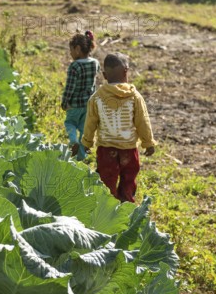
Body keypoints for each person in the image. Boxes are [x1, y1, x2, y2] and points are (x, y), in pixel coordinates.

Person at [81, 53, 156, 203]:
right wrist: (148, 142)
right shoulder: (134, 97)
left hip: (106, 149)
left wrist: (87, 142)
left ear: (104, 74)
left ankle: (107, 208)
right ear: (126, 71)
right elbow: (143, 121)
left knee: (107, 181)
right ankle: (126, 204)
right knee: (128, 178)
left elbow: (90, 123)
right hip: (128, 148)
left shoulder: (96, 98)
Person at [61, 31, 100, 160]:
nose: (70, 53)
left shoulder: (75, 66)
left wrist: (65, 102)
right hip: (88, 104)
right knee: (84, 131)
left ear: (77, 49)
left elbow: (70, 88)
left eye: (71, 50)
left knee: (70, 123)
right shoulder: (95, 63)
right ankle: (81, 158)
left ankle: (73, 141)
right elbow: (94, 84)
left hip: (74, 105)